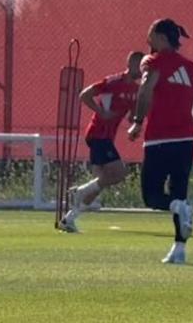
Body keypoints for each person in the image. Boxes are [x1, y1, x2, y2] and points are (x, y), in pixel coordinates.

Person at [127, 18, 193, 264]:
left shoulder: (153, 61)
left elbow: (145, 90)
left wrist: (137, 121)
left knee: (152, 197)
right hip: (186, 140)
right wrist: (188, 122)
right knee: (179, 194)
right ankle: (179, 250)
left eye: (151, 34)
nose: (148, 40)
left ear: (161, 37)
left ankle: (180, 212)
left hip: (159, 139)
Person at [59, 51, 144, 233]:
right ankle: (79, 191)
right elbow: (84, 95)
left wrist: (136, 122)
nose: (142, 70)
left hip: (107, 136)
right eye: (140, 66)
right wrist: (102, 112)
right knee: (119, 173)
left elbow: (132, 116)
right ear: (130, 64)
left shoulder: (136, 91)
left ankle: (69, 219)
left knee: (99, 184)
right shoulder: (113, 82)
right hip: (98, 133)